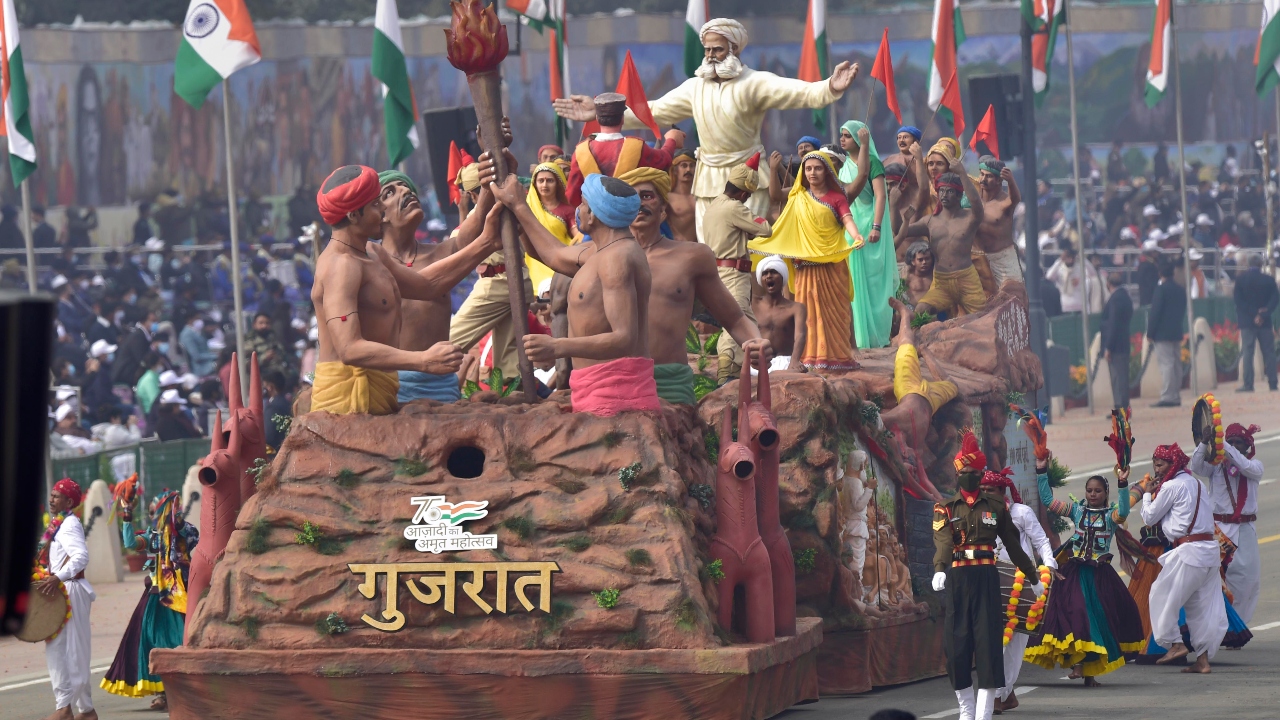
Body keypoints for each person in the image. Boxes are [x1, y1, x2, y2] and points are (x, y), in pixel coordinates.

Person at [553, 17, 859, 238]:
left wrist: (830, 87)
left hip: (750, 177)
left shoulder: (755, 83)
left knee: (752, 249)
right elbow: (655, 110)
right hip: (708, 178)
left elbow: (800, 93)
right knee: (712, 252)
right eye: (707, 50)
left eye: (718, 50)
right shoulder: (694, 87)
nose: (710, 56)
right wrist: (601, 112)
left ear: (735, 50)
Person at [310, 165, 500, 415]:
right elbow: (349, 349)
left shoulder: (372, 253)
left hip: (385, 390)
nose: (381, 211)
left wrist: (487, 243)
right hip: (348, 403)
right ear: (354, 216)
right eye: (376, 205)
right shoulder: (340, 266)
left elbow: (427, 286)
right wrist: (423, 361)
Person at [492, 171, 657, 416]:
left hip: (616, 393)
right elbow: (552, 254)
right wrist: (519, 207)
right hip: (592, 389)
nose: (578, 210)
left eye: (583, 204)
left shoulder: (616, 259)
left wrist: (558, 347)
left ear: (594, 214)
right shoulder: (599, 250)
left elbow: (624, 338)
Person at [619, 166, 768, 404]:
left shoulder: (690, 254)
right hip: (619, 381)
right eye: (631, 198)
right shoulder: (601, 257)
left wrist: (755, 343)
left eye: (647, 196)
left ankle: (727, 376)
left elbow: (735, 319)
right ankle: (727, 374)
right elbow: (551, 254)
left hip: (671, 383)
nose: (639, 204)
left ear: (664, 211)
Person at [932, 432, 1038, 720]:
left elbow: (1014, 546)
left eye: (972, 471)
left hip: (987, 578)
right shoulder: (945, 508)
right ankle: (966, 710)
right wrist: (940, 569)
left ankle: (983, 714)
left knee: (989, 646)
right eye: (963, 471)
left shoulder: (995, 508)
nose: (968, 475)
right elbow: (943, 542)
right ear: (957, 473)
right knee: (956, 647)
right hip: (957, 578)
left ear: (980, 473)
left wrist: (1033, 576)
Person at [1027, 455, 1144, 686]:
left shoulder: (1111, 516)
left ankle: (1089, 674)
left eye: (1098, 491)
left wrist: (1122, 483)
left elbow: (1123, 511)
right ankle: (1078, 665)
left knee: (1098, 620)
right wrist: (1041, 472)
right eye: (1089, 490)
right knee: (1079, 613)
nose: (1092, 494)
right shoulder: (1077, 511)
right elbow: (1049, 501)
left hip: (1100, 576)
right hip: (1076, 573)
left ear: (1105, 494)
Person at [748, 150, 862, 370]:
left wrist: (855, 235)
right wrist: (773, 170)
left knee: (836, 311)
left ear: (827, 171)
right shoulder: (798, 196)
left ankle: (838, 358)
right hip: (806, 266)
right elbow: (774, 195)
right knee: (808, 313)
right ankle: (810, 357)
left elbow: (847, 218)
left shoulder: (836, 198)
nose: (812, 173)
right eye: (808, 168)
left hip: (833, 262)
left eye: (818, 168)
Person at [377, 169, 477, 404]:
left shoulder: (443, 252)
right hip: (390, 386)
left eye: (407, 188)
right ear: (377, 215)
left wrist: (490, 170)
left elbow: (483, 229)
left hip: (441, 387)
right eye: (390, 192)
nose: (406, 191)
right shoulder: (369, 263)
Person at [101, 491, 197, 711]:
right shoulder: (153, 536)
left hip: (181, 596)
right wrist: (127, 514)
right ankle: (163, 692)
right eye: (154, 512)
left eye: (160, 511)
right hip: (155, 597)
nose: (156, 517)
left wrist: (176, 518)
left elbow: (185, 532)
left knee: (179, 640)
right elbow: (131, 543)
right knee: (151, 641)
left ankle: (185, 690)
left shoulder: (185, 532)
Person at [1140, 443, 1228, 674]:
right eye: (1155, 464)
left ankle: (1176, 644)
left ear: (1173, 464)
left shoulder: (1171, 486)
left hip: (1190, 551)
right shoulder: (1197, 483)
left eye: (1160, 464)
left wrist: (1147, 494)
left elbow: (1149, 518)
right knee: (1201, 609)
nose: (1157, 469)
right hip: (1209, 552)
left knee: (1160, 596)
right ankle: (1203, 661)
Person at [982, 468, 1056, 712]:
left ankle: (1003, 694)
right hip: (992, 584)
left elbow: (1041, 541)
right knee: (996, 643)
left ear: (1002, 491)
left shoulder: (1020, 512)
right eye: (981, 490)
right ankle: (999, 695)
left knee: (1013, 649)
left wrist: (1049, 566)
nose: (985, 494)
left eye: (990, 490)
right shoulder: (979, 515)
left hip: (1022, 587)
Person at [700, 155, 773, 381]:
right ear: (743, 193)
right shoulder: (734, 208)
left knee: (748, 324)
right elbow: (766, 229)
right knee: (735, 322)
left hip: (719, 271)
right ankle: (726, 373)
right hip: (733, 273)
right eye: (748, 196)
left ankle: (744, 370)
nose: (747, 199)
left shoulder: (714, 205)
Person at [35, 479, 98, 720]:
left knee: (71, 652)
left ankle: (72, 708)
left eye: (56, 496)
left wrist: (57, 577)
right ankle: (80, 709)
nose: (51, 499)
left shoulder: (69, 524)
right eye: (50, 495)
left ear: (69, 502)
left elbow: (81, 557)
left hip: (69, 590)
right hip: (63, 591)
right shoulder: (59, 524)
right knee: (61, 650)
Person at [895, 160, 987, 320]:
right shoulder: (930, 221)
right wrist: (893, 206)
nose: (944, 195)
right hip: (941, 282)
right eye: (941, 191)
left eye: (950, 191)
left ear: (959, 195)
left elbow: (978, 206)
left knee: (983, 319)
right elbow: (900, 232)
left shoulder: (969, 218)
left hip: (967, 280)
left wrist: (962, 173)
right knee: (920, 311)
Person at [1191, 423, 1263, 625]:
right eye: (1229, 441)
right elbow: (1195, 466)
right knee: (1217, 577)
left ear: (1247, 446)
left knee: (1249, 580)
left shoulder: (1255, 466)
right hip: (1219, 529)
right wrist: (1205, 441)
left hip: (1245, 528)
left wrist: (1222, 442)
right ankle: (1217, 624)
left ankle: (1237, 626)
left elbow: (1244, 466)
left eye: (1237, 442)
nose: (1232, 445)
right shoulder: (1216, 466)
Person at [882, 298, 953, 501]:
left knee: (906, 347)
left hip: (909, 387)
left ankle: (906, 315)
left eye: (908, 461)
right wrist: (942, 506)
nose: (911, 463)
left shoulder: (892, 426)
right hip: (930, 401)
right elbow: (923, 482)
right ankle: (927, 353)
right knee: (953, 387)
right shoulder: (917, 448)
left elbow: (867, 415)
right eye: (913, 463)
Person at [565, 92, 683, 207]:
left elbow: (572, 197)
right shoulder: (636, 147)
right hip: (631, 220)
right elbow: (664, 160)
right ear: (622, 119)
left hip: (594, 220)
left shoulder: (581, 152)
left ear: (597, 118)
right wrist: (671, 140)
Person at [840, 121, 896, 349]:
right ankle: (858, 340)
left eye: (847, 136)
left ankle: (875, 338)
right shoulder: (844, 168)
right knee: (854, 282)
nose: (842, 139)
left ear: (859, 138)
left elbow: (880, 196)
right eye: (841, 136)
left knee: (873, 284)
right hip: (851, 228)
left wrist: (876, 226)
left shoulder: (873, 162)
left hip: (871, 228)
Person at [524, 161, 577, 292]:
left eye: (549, 181)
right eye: (540, 181)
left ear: (558, 183)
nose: (544, 185)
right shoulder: (526, 208)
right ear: (534, 184)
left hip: (559, 260)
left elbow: (578, 236)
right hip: (533, 260)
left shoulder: (567, 210)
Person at [972, 157, 1023, 289]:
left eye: (989, 176)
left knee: (1012, 294)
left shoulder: (1004, 201)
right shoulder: (972, 199)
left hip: (1003, 259)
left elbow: (1015, 199)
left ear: (999, 180)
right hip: (977, 258)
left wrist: (1011, 180)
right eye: (981, 174)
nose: (983, 179)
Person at [1233, 254, 1278, 392]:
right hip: (1264, 322)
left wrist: (1253, 314)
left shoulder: (1240, 280)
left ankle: (1248, 384)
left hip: (1247, 321)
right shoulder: (1269, 280)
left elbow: (1238, 301)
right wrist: (1263, 314)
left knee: (1248, 352)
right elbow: (1275, 299)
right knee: (1269, 352)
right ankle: (1272, 383)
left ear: (1248, 264)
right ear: (1260, 264)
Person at [752, 256, 806, 372]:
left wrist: (794, 361)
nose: (769, 276)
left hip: (786, 362)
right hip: (759, 362)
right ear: (760, 279)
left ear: (783, 277)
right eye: (765, 273)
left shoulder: (796, 308)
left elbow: (800, 335)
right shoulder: (753, 304)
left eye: (773, 272)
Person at [1146, 261, 1186, 407]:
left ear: (1160, 274)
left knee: (1166, 364)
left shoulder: (1161, 290)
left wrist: (1150, 332)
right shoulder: (1180, 290)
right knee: (1176, 364)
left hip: (1162, 332)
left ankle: (1168, 395)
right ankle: (1175, 394)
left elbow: (1155, 313)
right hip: (1176, 329)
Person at [1099, 273, 1134, 411]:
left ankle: (1121, 407)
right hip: (1123, 341)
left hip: (1116, 345)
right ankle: (1122, 406)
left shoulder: (1115, 299)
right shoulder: (1125, 297)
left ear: (1109, 284)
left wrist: (1108, 346)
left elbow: (1113, 323)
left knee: (1118, 378)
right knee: (1121, 377)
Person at [1046, 245, 1104, 314]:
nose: (1070, 260)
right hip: (1064, 307)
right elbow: (1048, 277)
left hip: (1079, 307)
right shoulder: (1059, 268)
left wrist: (1082, 258)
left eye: (1072, 257)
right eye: (1068, 257)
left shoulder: (1079, 267)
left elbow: (1093, 273)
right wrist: (1059, 260)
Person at [667, 149, 698, 242]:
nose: (688, 169)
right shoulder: (667, 198)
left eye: (692, 166)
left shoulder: (701, 197)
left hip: (701, 248)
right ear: (675, 170)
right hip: (677, 248)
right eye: (683, 166)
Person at [262, 369, 294, 451]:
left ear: (270, 387)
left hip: (275, 454)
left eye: (265, 386)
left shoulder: (272, 408)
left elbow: (268, 437)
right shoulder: (288, 404)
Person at [903, 242, 936, 310]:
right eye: (920, 260)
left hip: (933, 310)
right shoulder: (907, 274)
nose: (924, 262)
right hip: (911, 310)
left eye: (927, 259)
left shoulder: (936, 273)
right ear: (913, 261)